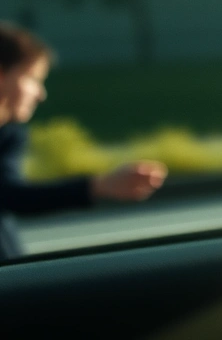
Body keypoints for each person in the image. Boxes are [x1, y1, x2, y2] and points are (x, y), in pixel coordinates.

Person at [0, 23, 166, 259]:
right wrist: (99, 186)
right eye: (32, 78)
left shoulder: (9, 133)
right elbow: (9, 195)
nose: (40, 94)